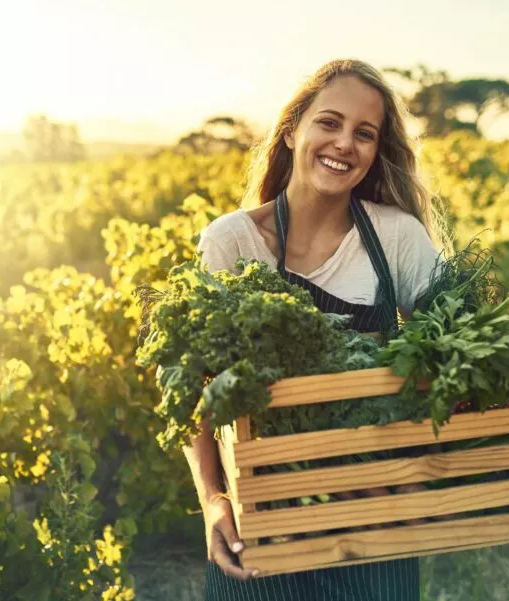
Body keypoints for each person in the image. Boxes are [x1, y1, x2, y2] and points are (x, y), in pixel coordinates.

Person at [185, 58, 449, 600]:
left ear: (377, 152)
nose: (345, 143)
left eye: (365, 133)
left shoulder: (396, 237)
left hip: (375, 522)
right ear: (292, 131)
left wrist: (416, 475)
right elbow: (196, 388)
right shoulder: (233, 243)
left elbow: (454, 353)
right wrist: (216, 504)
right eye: (329, 122)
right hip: (264, 528)